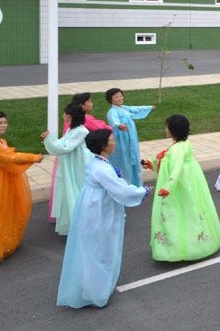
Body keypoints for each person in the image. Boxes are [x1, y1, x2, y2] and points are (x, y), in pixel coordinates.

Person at [57, 129, 150, 308]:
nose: (114, 142)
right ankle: (96, 293)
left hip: (93, 208)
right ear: (104, 146)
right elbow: (121, 190)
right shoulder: (102, 168)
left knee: (94, 248)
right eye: (112, 140)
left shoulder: (96, 162)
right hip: (98, 212)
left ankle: (92, 288)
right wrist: (142, 191)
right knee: (101, 249)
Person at [142, 114, 220, 262]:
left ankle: (182, 248)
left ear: (173, 130)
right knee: (191, 208)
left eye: (167, 126)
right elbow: (167, 162)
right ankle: (199, 240)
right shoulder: (183, 144)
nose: (165, 129)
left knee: (179, 211)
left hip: (179, 184)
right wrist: (151, 163)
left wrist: (168, 186)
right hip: (187, 181)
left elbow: (176, 168)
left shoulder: (177, 149)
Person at [0, 111, 43, 266]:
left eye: (5, 122)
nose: (3, 125)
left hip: (3, 182)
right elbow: (8, 158)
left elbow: (8, 157)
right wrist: (33, 157)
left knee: (4, 211)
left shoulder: (1, 141)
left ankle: (3, 243)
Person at [42, 105, 92, 236]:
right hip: (71, 164)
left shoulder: (81, 131)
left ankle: (83, 225)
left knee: (76, 190)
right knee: (70, 190)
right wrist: (50, 140)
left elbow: (65, 147)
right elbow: (61, 144)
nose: (63, 116)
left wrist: (50, 140)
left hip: (78, 165)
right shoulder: (72, 129)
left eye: (64, 114)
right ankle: (74, 224)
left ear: (69, 116)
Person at [105, 88, 154, 187]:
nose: (119, 98)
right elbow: (114, 121)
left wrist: (148, 107)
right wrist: (119, 125)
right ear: (111, 100)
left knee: (133, 159)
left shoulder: (124, 108)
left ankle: (135, 184)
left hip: (131, 139)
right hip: (121, 141)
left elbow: (135, 109)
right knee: (124, 160)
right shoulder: (112, 111)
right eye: (116, 97)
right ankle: (124, 185)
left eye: (120, 96)